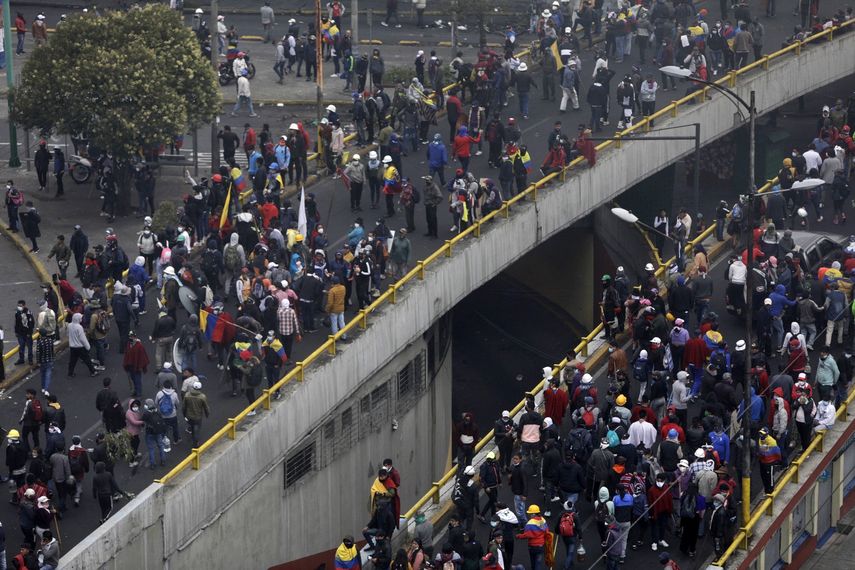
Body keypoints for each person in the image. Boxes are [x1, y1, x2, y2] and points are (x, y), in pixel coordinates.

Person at [517, 504, 548, 570]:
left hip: (533, 546)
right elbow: (546, 531)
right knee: (538, 562)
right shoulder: (542, 520)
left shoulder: (530, 523)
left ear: (533, 514)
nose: (529, 515)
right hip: (541, 545)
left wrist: (519, 536)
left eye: (530, 513)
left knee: (533, 561)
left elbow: (527, 535)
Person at [183, 380, 210, 448]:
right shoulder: (202, 397)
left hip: (189, 416)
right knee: (197, 429)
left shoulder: (187, 395)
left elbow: (184, 406)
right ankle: (196, 441)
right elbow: (206, 407)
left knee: (192, 427)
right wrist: (207, 414)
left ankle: (193, 437)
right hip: (198, 416)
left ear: (193, 387)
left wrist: (184, 414)